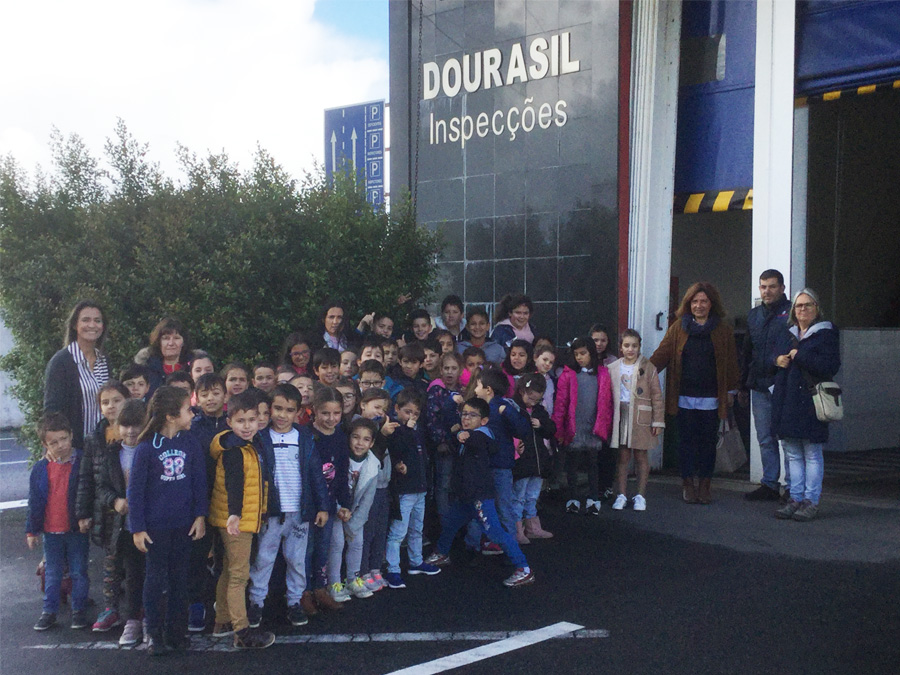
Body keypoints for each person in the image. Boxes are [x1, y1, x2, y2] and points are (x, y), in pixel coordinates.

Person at [127, 386, 207, 655]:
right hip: (156, 528)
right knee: (155, 579)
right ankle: (153, 633)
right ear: (171, 416)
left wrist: (200, 515)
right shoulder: (146, 448)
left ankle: (176, 631)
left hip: (184, 524)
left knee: (179, 579)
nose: (192, 414)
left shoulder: (190, 443)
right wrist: (137, 528)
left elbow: (199, 482)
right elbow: (135, 492)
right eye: (187, 410)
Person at [424, 398, 535, 588]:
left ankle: (523, 568)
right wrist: (457, 430)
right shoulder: (469, 435)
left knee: (495, 532)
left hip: (479, 497)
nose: (466, 418)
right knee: (450, 523)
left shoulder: (480, 436)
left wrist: (460, 434)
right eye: (464, 414)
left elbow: (476, 441)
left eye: (472, 415)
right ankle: (442, 552)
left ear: (484, 420)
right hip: (466, 496)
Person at [650, 282, 740, 505]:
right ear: (688, 304)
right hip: (683, 397)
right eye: (695, 301)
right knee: (686, 442)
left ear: (712, 304)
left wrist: (731, 390)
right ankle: (688, 483)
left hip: (712, 398)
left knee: (708, 443)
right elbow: (661, 355)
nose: (699, 305)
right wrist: (640, 371)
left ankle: (705, 484)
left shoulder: (723, 330)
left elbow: (731, 362)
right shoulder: (678, 328)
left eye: (704, 301)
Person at [248, 384, 330, 628]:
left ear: (298, 413)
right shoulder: (260, 437)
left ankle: (295, 601)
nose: (282, 415)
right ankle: (256, 602)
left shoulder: (304, 437)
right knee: (263, 559)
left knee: (296, 560)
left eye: (289, 410)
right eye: (278, 408)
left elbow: (316, 474)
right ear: (269, 409)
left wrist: (322, 506)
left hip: (299, 512)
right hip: (271, 512)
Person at [207, 391, 275, 649]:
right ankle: (242, 632)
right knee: (239, 575)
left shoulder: (250, 444)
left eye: (252, 420)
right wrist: (235, 514)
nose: (247, 426)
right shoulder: (235, 450)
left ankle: (222, 621)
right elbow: (234, 484)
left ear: (260, 420)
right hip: (237, 521)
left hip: (237, 518)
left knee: (229, 569)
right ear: (229, 422)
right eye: (241, 421)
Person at [772, 289, 840, 522]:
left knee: (812, 453)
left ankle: (811, 501)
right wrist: (777, 359)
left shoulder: (826, 334)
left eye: (808, 305)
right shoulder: (787, 334)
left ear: (816, 309)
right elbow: (773, 357)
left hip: (811, 401)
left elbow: (829, 366)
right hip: (788, 400)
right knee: (792, 453)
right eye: (799, 306)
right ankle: (795, 498)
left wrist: (799, 355)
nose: (802, 309)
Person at [71, 380, 129, 632]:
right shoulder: (94, 438)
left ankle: (138, 609)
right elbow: (86, 478)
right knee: (111, 564)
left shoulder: (138, 432)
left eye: (117, 400)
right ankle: (110, 608)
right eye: (105, 402)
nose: (111, 406)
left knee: (136, 564)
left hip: (131, 510)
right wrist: (83, 513)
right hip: (106, 512)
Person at [27, 412, 91, 631]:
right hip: (51, 531)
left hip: (76, 529)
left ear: (71, 435)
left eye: (64, 438)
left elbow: (88, 492)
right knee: (52, 573)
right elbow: (35, 501)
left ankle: (79, 610)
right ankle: (49, 611)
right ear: (45, 445)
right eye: (53, 442)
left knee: (79, 571)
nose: (60, 445)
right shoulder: (40, 468)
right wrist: (31, 531)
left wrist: (87, 516)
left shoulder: (82, 461)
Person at [92, 399, 148, 646]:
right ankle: (133, 620)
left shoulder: (152, 449)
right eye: (125, 426)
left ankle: (151, 620)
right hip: (125, 527)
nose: (131, 431)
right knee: (133, 575)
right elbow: (101, 486)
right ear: (117, 426)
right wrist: (114, 500)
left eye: (137, 425)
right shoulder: (112, 453)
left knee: (154, 574)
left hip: (152, 525)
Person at [741, 270, 793, 502]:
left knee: (788, 438)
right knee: (765, 438)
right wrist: (743, 385)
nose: (767, 291)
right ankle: (770, 485)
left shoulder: (792, 313)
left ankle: (792, 487)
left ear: (782, 288)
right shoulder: (754, 315)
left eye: (772, 286)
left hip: (784, 384)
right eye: (763, 287)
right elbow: (747, 352)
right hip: (759, 385)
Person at [384, 388, 440, 588]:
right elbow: (397, 450)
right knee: (398, 533)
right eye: (407, 412)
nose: (411, 417)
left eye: (415, 413)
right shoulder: (395, 430)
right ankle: (392, 569)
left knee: (417, 529)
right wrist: (407, 430)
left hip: (420, 488)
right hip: (404, 490)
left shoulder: (417, 430)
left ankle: (416, 562)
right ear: (396, 409)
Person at [186, 373, 228, 632]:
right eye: (204, 394)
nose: (210, 398)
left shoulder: (233, 424)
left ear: (225, 395)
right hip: (198, 503)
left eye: (215, 393)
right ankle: (196, 605)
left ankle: (222, 606)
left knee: (226, 557)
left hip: (227, 502)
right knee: (197, 556)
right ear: (196, 398)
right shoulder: (192, 427)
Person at [552, 337, 613, 515]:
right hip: (574, 426)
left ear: (591, 353)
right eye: (576, 354)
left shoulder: (602, 374)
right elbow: (560, 404)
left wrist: (606, 425)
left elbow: (607, 403)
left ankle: (593, 498)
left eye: (583, 353)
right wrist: (558, 429)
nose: (579, 357)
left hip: (594, 425)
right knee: (573, 462)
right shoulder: (568, 374)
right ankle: (573, 498)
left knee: (593, 462)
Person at [304, 387, 351, 609]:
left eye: (336, 413)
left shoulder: (340, 437)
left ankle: (320, 588)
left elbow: (342, 473)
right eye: (325, 413)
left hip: (330, 504)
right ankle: (303, 592)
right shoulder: (306, 435)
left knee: (323, 549)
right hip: (308, 505)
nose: (331, 419)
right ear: (314, 410)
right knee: (306, 550)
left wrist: (345, 503)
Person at [44, 300, 111, 452]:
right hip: (74, 449)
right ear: (75, 325)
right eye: (86, 320)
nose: (92, 325)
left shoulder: (104, 360)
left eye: (97, 321)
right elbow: (52, 412)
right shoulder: (61, 362)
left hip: (103, 446)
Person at [609, 330, 665, 511]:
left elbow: (657, 395)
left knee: (641, 455)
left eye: (634, 345)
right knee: (623, 456)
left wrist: (658, 421)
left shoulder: (648, 367)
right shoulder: (613, 368)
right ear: (621, 347)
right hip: (621, 415)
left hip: (641, 417)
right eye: (626, 345)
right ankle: (621, 494)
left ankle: (640, 495)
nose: (630, 349)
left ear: (639, 347)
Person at [339, 418, 382, 598]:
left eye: (366, 439)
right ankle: (334, 582)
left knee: (357, 544)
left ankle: (353, 579)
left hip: (355, 514)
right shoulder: (341, 457)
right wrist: (339, 510)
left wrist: (354, 524)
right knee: (335, 546)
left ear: (371, 443)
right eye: (355, 437)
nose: (359, 443)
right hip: (337, 510)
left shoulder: (373, 465)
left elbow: (367, 501)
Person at [358, 388, 396, 592]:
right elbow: (369, 454)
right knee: (366, 531)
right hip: (367, 487)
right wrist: (381, 435)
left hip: (383, 485)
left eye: (384, 409)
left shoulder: (382, 425)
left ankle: (375, 568)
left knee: (380, 530)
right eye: (376, 407)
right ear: (363, 405)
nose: (380, 412)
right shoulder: (359, 427)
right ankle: (362, 571)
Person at [511, 375, 556, 542]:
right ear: (522, 391)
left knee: (532, 496)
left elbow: (551, 429)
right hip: (522, 463)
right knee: (518, 497)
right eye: (530, 398)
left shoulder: (539, 411)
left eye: (537, 400)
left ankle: (532, 527)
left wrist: (541, 425)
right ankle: (516, 530)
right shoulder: (514, 408)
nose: (532, 402)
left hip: (537, 463)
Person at [425, 353, 464, 522]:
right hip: (444, 447)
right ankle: (444, 522)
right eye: (446, 368)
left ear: (460, 370)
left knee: (457, 484)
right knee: (443, 484)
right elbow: (432, 418)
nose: (449, 372)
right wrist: (441, 441)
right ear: (440, 370)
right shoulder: (436, 391)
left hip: (461, 446)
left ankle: (457, 522)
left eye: (454, 368)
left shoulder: (463, 391)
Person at [143, 317, 193, 397]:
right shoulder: (147, 369)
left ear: (184, 342)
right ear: (159, 342)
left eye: (176, 338)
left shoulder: (194, 367)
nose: (171, 343)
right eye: (166, 338)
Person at [533, 344, 557, 414]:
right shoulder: (528, 378)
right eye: (545, 359)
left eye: (551, 362)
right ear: (535, 357)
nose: (547, 364)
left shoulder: (552, 381)